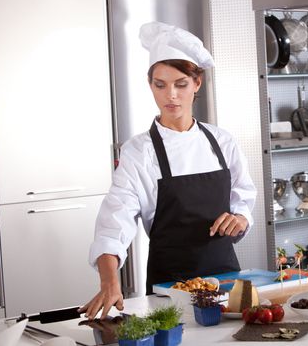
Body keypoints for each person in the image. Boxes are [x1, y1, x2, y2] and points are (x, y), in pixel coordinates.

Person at [80, 22, 257, 319]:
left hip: (227, 282)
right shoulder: (140, 151)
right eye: (160, 85)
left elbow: (244, 198)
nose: (170, 95)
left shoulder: (222, 141)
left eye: (180, 84)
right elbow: (114, 223)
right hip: (168, 290)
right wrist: (109, 282)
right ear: (150, 85)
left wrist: (239, 218)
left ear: (197, 83)